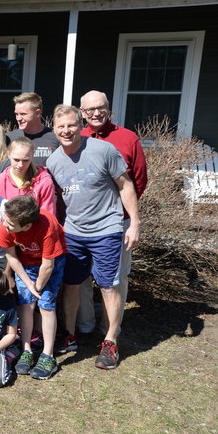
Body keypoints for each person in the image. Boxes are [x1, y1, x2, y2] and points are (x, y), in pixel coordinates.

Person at [46, 105, 141, 370]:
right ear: (54, 129)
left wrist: (134, 223)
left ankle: (110, 341)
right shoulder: (53, 161)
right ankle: (71, 334)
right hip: (73, 232)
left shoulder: (103, 150)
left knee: (108, 285)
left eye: (71, 125)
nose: (66, 131)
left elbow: (126, 185)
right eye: (61, 126)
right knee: (71, 284)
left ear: (81, 125)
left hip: (107, 229)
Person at [76, 90, 148, 335]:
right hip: (82, 222)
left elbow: (139, 180)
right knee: (82, 276)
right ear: (82, 113)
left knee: (117, 276)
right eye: (90, 109)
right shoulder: (76, 137)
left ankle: (111, 329)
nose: (96, 113)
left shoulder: (127, 138)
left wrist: (128, 214)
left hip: (119, 221)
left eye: (101, 108)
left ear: (109, 108)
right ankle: (85, 325)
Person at [0, 195, 67, 380]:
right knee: (25, 304)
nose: (5, 225)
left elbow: (48, 265)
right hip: (26, 264)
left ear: (27, 225)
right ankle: (26, 349)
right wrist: (29, 284)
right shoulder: (7, 224)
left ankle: (48, 355)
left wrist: (39, 287)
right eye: (5, 220)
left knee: (46, 305)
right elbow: (11, 256)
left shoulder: (47, 226)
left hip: (51, 264)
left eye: (10, 224)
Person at [0, 137, 56, 215]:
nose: (20, 165)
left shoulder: (44, 182)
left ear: (32, 156)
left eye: (25, 160)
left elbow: (48, 215)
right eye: (16, 160)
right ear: (8, 154)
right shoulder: (1, 180)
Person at [6, 92, 60, 167]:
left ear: (37, 113)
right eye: (16, 114)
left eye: (23, 114)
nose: (18, 118)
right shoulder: (8, 139)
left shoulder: (55, 138)